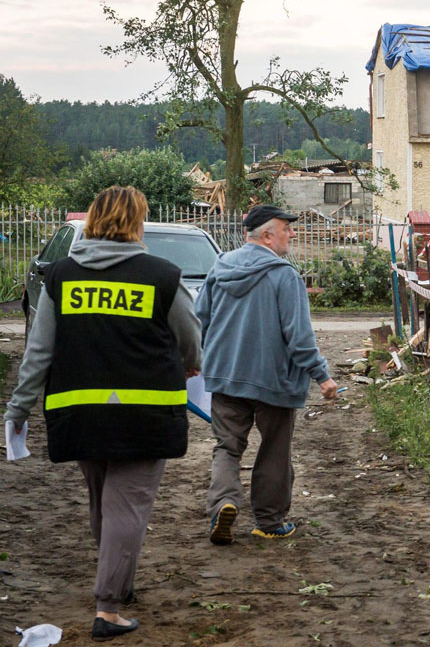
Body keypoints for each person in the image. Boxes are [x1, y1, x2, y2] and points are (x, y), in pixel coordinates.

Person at [4, 186, 202, 641]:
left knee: (103, 503)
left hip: (80, 411)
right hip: (145, 413)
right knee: (126, 506)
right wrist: (192, 363)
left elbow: (39, 351)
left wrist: (18, 407)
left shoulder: (59, 277)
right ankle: (109, 607)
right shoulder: (163, 275)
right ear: (136, 222)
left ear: (92, 219)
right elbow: (190, 336)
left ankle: (119, 583)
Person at [198, 205, 338, 545]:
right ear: (266, 236)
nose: (292, 234)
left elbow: (200, 317)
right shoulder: (284, 276)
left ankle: (224, 503)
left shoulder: (220, 267)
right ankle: (270, 522)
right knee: (275, 449)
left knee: (227, 447)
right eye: (286, 229)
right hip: (274, 379)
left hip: (226, 375)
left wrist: (205, 359)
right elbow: (299, 337)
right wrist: (323, 377)